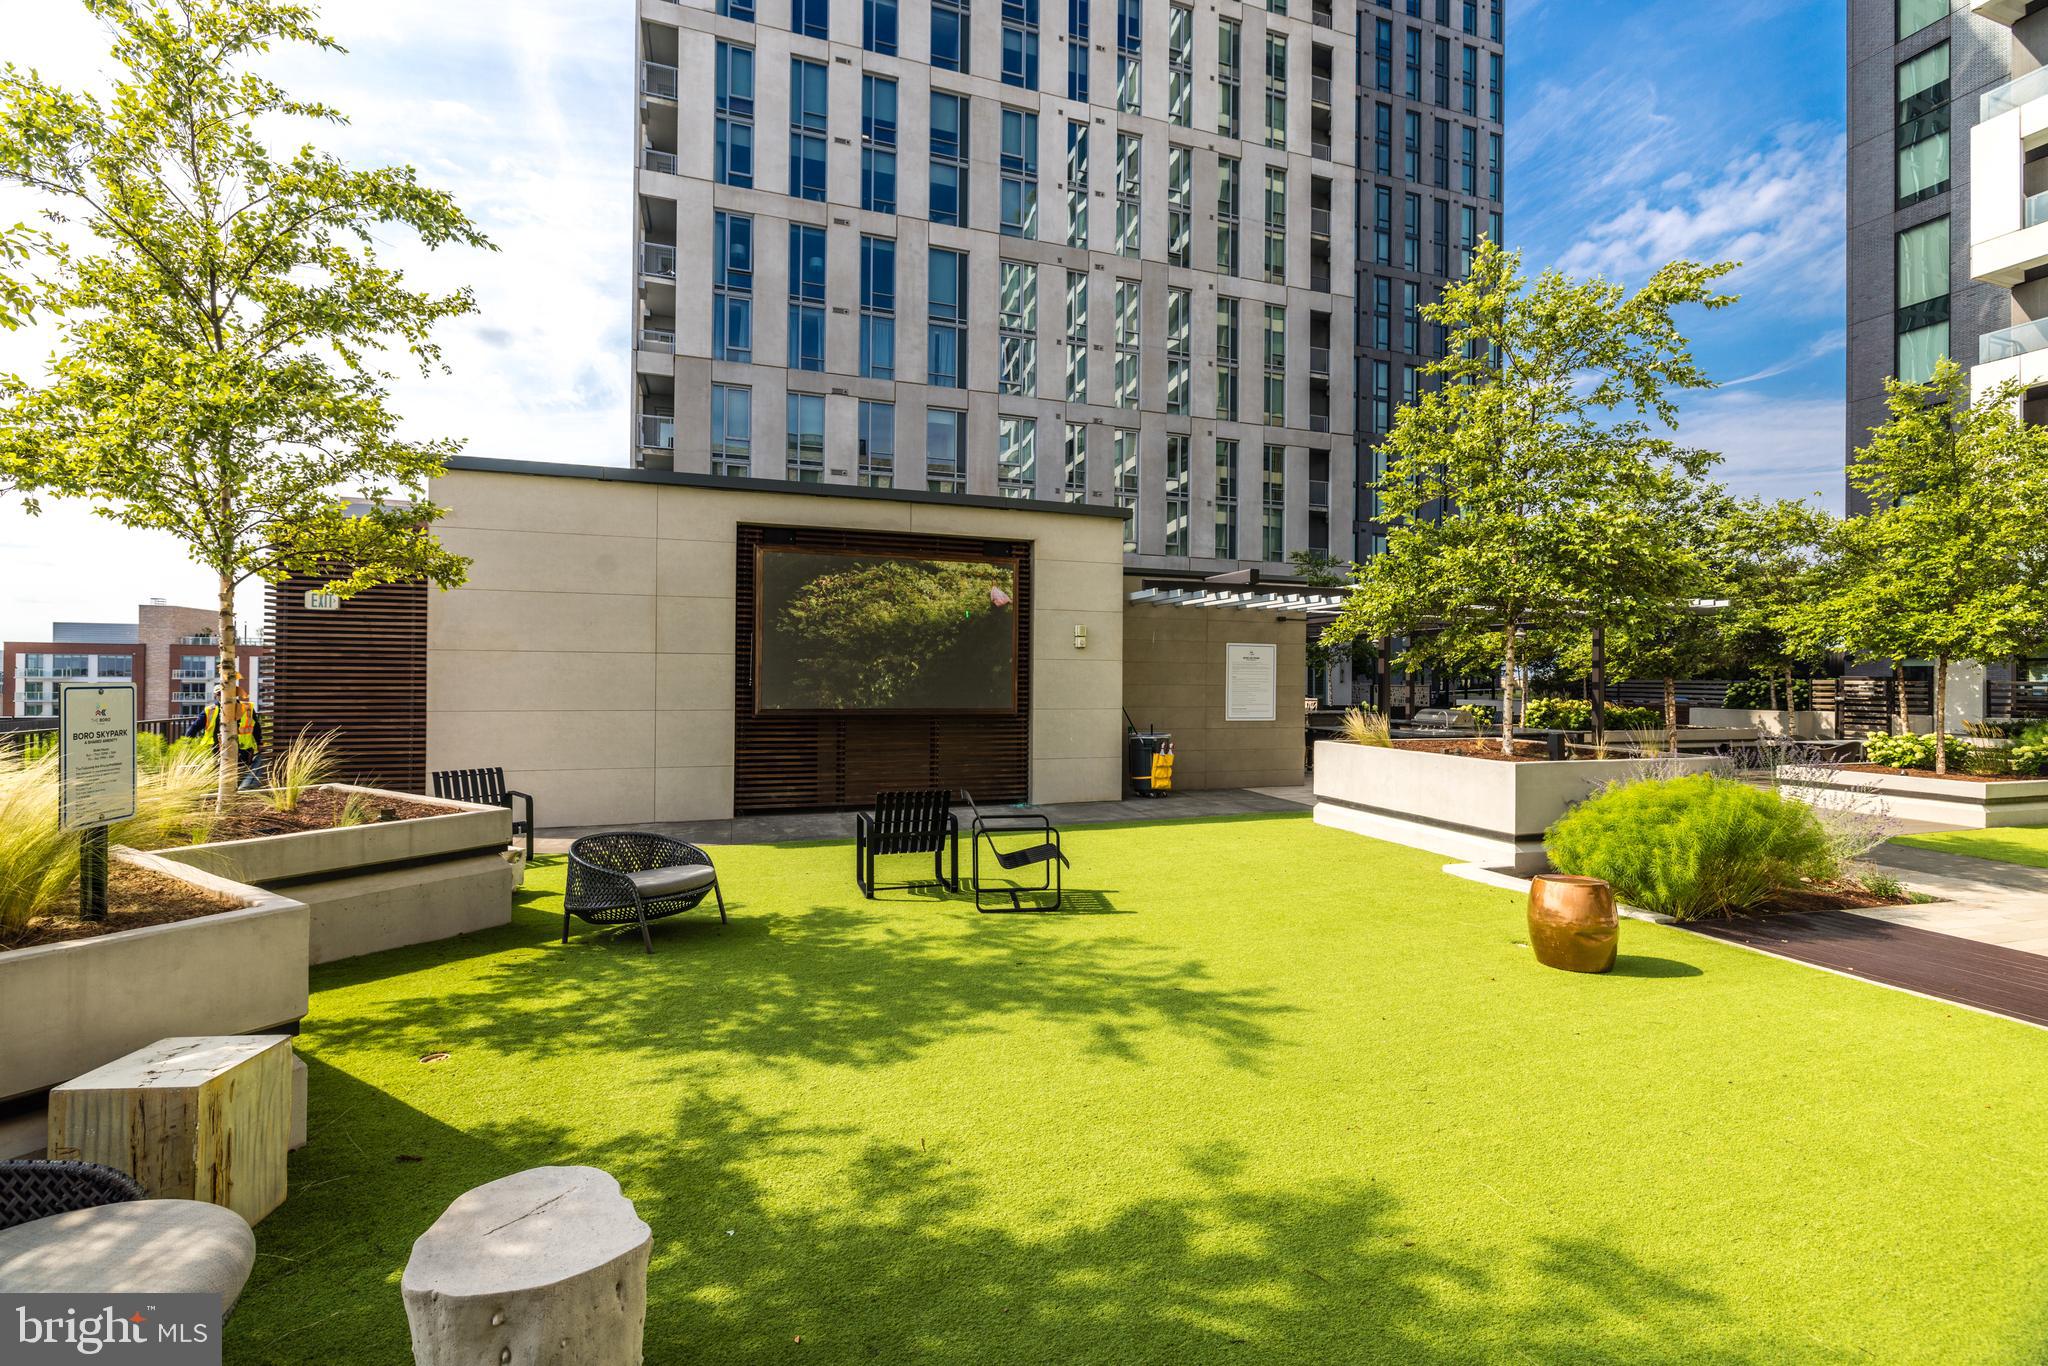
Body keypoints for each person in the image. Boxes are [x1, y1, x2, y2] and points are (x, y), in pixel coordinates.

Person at [187, 683, 265, 788]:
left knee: (240, 773)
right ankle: (227, 794)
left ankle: (237, 795)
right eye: (220, 694)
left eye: (226, 694)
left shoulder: (247, 708)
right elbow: (194, 727)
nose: (223, 696)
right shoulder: (210, 711)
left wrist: (259, 742)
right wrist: (186, 743)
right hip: (219, 748)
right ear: (216, 695)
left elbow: (256, 728)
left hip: (243, 749)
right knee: (223, 774)